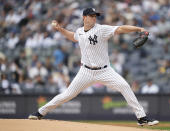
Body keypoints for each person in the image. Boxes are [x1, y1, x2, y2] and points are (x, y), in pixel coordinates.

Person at [28, 8, 159, 126]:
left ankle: (141, 117)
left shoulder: (101, 29)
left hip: (105, 71)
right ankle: (40, 112)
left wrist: (139, 29)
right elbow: (73, 37)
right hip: (85, 71)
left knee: (124, 86)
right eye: (91, 16)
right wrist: (60, 29)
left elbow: (120, 28)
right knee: (67, 94)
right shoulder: (79, 31)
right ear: (84, 17)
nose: (94, 18)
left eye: (95, 16)